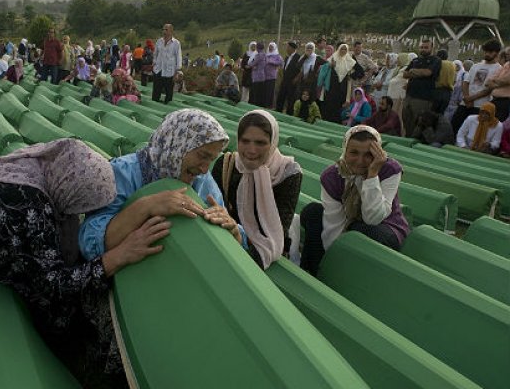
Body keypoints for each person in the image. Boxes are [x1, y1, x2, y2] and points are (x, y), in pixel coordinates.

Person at [0, 139, 164, 384]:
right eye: (82, 206)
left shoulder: (45, 175)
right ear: (72, 187)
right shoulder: (25, 204)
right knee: (63, 305)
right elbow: (51, 283)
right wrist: (116, 257)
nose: (78, 214)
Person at [79, 109, 244, 263]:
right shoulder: (123, 173)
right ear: (178, 144)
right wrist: (145, 207)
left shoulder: (202, 181)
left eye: (211, 159)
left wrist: (233, 234)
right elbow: (89, 243)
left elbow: (227, 235)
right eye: (202, 155)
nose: (204, 169)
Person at [299, 126, 409, 275]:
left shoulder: (389, 170)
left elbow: (373, 218)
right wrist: (332, 258)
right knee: (312, 212)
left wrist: (372, 175)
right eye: (354, 153)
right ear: (345, 151)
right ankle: (316, 268)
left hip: (385, 227)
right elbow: (333, 225)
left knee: (362, 230)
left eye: (368, 154)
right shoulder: (332, 176)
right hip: (349, 222)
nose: (360, 161)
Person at [211, 110, 302, 268]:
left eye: (260, 143)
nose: (251, 150)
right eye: (245, 141)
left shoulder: (287, 173)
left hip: (265, 248)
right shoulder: (226, 164)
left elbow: (277, 230)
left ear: (272, 142)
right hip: (226, 241)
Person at [453, 39, 501, 133]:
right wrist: (466, 97)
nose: (487, 54)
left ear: (496, 53)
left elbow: (489, 89)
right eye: (486, 51)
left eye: (490, 52)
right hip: (465, 103)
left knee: (472, 131)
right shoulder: (476, 66)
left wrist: (471, 99)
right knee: (455, 126)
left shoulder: (499, 69)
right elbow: (465, 82)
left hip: (480, 106)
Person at [402, 39, 441, 136]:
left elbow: (428, 73)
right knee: (406, 119)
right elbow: (405, 74)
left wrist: (413, 71)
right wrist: (420, 73)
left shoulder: (436, 60)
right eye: (421, 47)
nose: (423, 49)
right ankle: (407, 139)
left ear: (432, 48)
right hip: (409, 96)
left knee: (419, 122)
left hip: (423, 98)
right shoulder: (415, 60)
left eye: (426, 47)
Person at [317, 43, 356, 123]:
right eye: (342, 49)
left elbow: (349, 80)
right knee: (328, 107)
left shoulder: (349, 62)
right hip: (331, 87)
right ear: (339, 49)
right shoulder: (333, 59)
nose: (343, 51)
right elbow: (323, 71)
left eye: (345, 49)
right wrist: (330, 66)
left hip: (342, 89)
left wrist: (348, 97)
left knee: (338, 109)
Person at [152, 23, 182, 103]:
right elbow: (155, 54)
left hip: (169, 71)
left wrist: (177, 71)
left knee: (168, 93)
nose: (164, 31)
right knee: (156, 92)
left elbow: (178, 57)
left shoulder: (176, 43)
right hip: (158, 70)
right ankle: (154, 106)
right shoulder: (159, 41)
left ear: (171, 31)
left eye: (166, 29)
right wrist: (154, 63)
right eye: (163, 29)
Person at [277, 41, 302, 113]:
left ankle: (289, 114)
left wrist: (296, 78)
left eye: (288, 47)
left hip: (292, 82)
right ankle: (278, 111)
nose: (286, 49)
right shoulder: (287, 57)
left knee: (291, 99)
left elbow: (302, 70)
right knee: (281, 97)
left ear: (292, 48)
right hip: (285, 81)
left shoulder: (298, 57)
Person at [486, 46, 510, 122]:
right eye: (506, 54)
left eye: (509, 54)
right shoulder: (506, 65)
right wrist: (498, 82)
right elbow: (488, 81)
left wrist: (495, 82)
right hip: (495, 99)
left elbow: (506, 80)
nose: (507, 56)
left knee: (497, 124)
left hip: (505, 101)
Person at [263, 42, 283, 108]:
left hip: (272, 76)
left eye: (272, 46)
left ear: (274, 47)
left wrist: (271, 62)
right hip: (265, 75)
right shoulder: (266, 54)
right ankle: (264, 104)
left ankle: (269, 105)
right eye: (269, 46)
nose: (270, 47)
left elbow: (281, 62)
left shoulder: (277, 55)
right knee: (265, 91)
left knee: (270, 91)